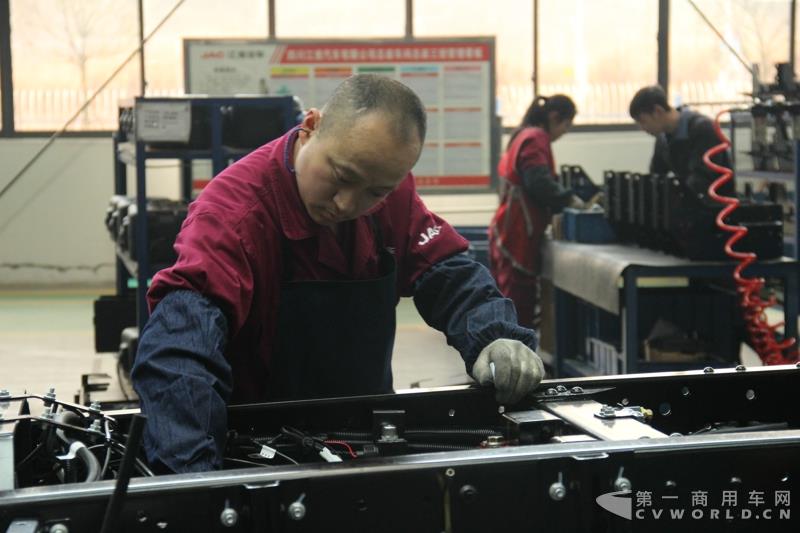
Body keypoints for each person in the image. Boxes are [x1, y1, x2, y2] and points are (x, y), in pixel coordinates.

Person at [131, 74, 545, 474]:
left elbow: (445, 270)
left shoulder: (388, 194)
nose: (348, 203)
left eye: (375, 191)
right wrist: (194, 481)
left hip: (365, 438)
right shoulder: (234, 215)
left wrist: (496, 336)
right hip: (260, 451)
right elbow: (181, 349)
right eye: (342, 177)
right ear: (311, 126)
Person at [489, 95, 578, 330]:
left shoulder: (521, 134)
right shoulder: (536, 137)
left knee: (507, 302)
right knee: (518, 306)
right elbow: (538, 182)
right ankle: (519, 359)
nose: (564, 133)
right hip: (519, 233)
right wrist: (569, 200)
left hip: (507, 229)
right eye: (566, 126)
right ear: (554, 118)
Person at [629, 85, 734, 198]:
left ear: (658, 111)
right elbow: (656, 176)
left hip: (717, 204)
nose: (642, 128)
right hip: (691, 201)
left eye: (643, 121)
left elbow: (703, 178)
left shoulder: (703, 129)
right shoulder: (663, 139)